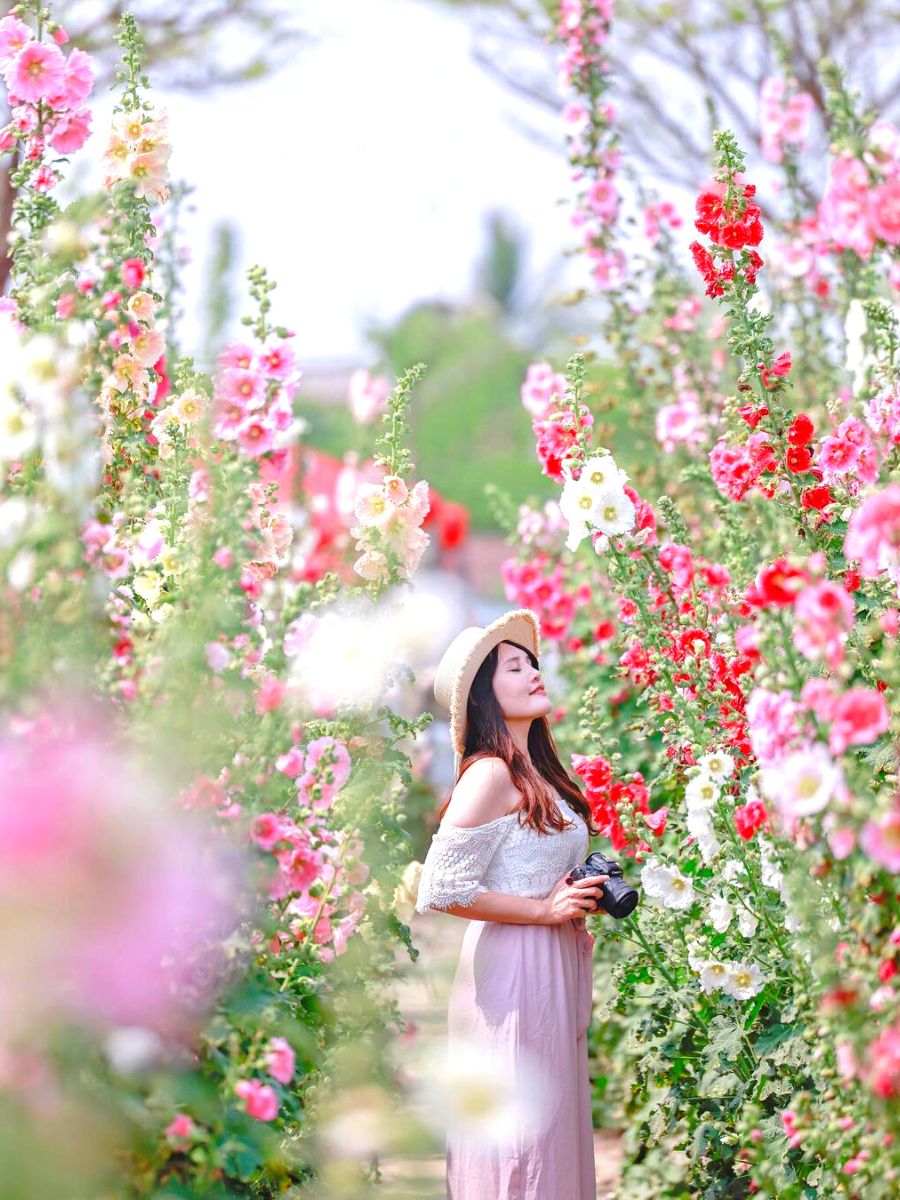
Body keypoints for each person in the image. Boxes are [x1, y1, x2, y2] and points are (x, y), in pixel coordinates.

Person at [416, 607, 606, 1200]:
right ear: (483, 697)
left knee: (549, 1128)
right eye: (514, 667)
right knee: (520, 1140)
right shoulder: (490, 774)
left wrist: (571, 901)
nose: (532, 672)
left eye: (532, 663)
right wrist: (543, 912)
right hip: (513, 966)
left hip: (553, 954)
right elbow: (440, 889)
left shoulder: (537, 772)